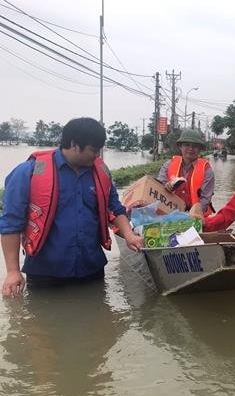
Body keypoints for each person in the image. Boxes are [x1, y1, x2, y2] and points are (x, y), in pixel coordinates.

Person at [0, 117, 144, 297]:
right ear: (75, 144)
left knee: (98, 320)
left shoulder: (101, 172)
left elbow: (114, 208)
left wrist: (129, 235)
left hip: (92, 269)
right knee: (43, 322)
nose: (98, 155)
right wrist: (13, 271)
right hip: (46, 273)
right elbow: (11, 223)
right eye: (94, 150)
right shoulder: (29, 172)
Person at [157, 129, 215, 216]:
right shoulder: (168, 165)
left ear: (200, 149)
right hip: (171, 214)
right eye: (187, 145)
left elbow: (205, 199)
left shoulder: (207, 171)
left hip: (198, 216)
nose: (191, 148)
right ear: (180, 146)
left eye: (195, 146)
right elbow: (158, 188)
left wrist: (191, 218)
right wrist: (165, 187)